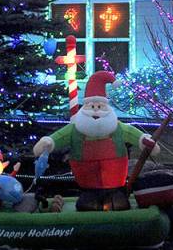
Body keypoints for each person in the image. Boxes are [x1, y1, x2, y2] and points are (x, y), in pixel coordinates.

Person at [32, 71, 159, 211]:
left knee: (117, 202)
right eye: (92, 107)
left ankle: (115, 196)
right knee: (88, 203)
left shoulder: (117, 127)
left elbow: (133, 134)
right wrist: (48, 142)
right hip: (87, 182)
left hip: (115, 181)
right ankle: (90, 198)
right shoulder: (75, 129)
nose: (96, 112)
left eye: (100, 107)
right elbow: (59, 137)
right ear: (85, 106)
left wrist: (144, 140)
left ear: (106, 107)